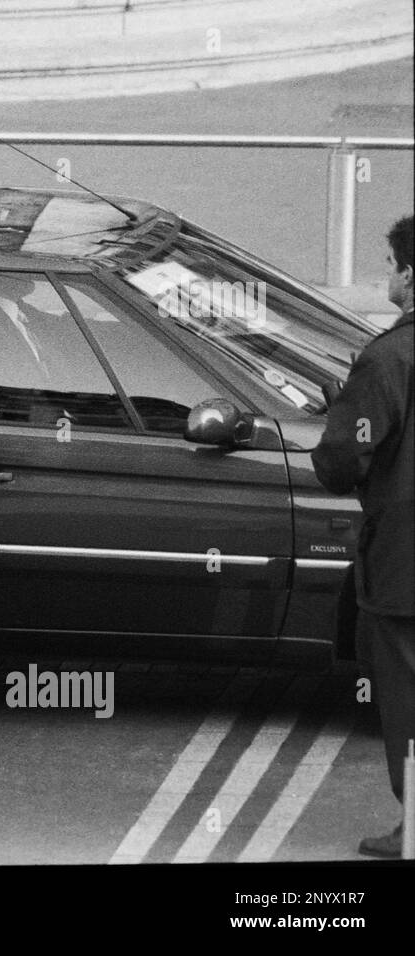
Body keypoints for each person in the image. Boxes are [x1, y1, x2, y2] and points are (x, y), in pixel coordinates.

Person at [312, 213, 414, 858]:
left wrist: (338, 423)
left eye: (390, 264)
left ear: (411, 274)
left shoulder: (387, 358)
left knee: (406, 693)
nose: (387, 275)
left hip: (406, 563)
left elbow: (344, 461)